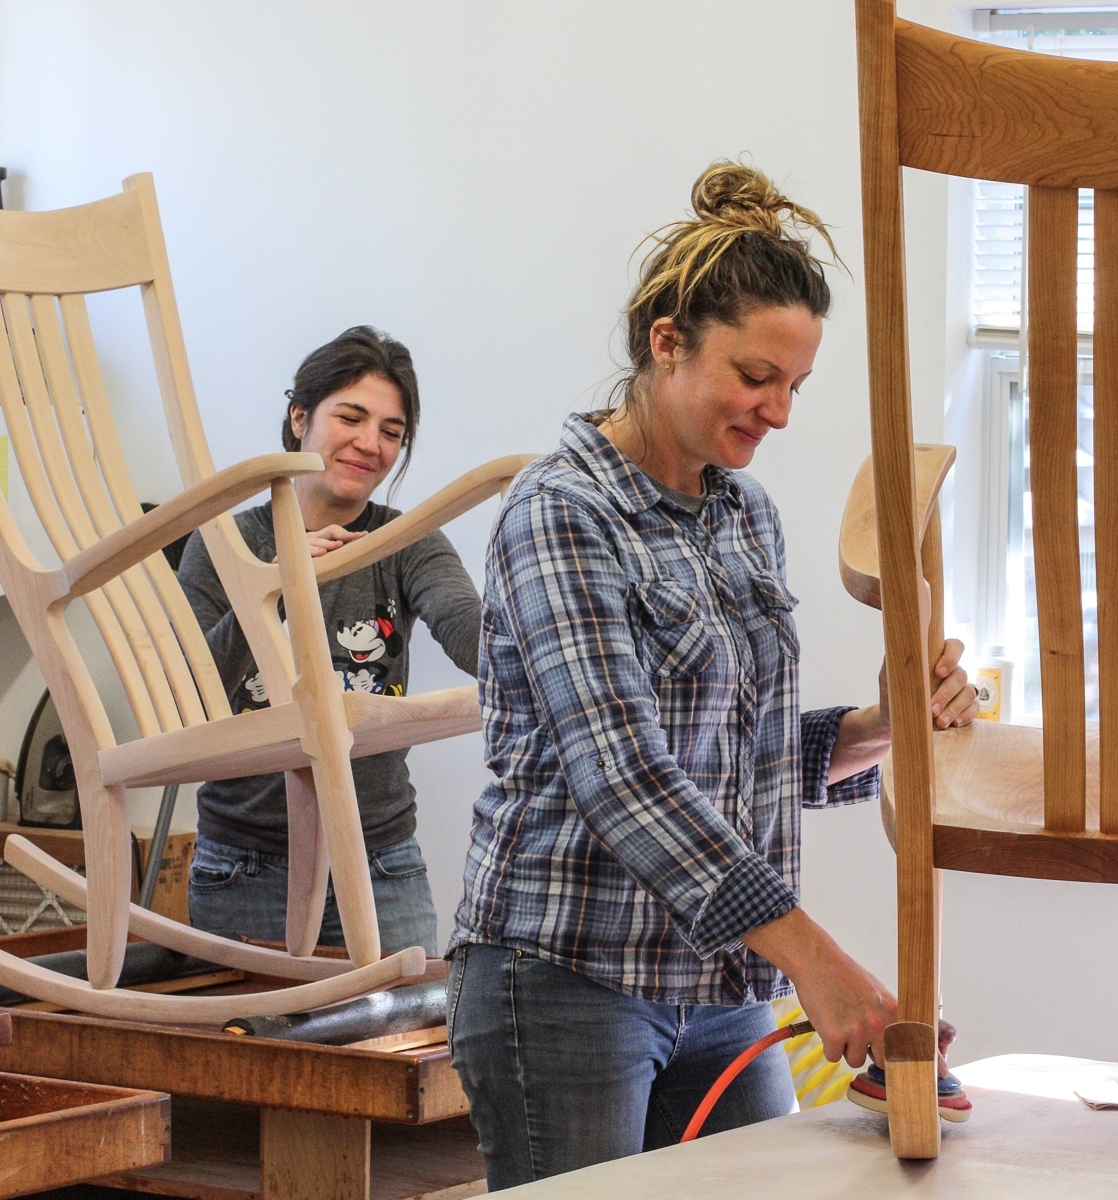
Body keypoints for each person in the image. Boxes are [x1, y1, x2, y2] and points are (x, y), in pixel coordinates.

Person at [445, 162, 978, 1189]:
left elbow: (741, 754)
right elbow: (628, 781)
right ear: (667, 343)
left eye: (794, 386)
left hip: (719, 981)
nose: (777, 410)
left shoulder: (745, 515)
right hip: (566, 974)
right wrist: (817, 962)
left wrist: (884, 727)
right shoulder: (561, 512)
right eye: (753, 376)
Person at [178, 326, 481, 955]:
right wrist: (284, 583)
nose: (371, 444)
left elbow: (468, 628)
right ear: (298, 418)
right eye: (351, 417)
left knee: (400, 1048)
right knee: (248, 1049)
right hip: (246, 865)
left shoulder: (408, 539)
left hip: (381, 863)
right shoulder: (224, 545)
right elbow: (189, 697)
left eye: (392, 432)